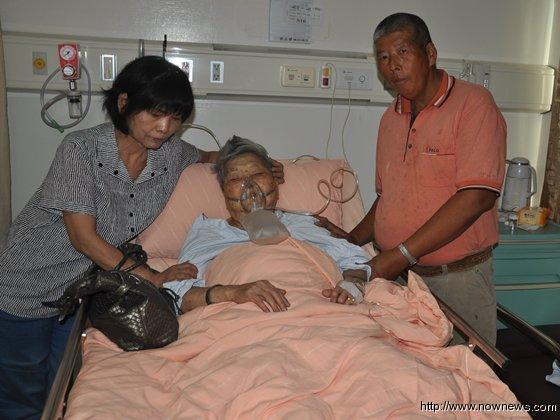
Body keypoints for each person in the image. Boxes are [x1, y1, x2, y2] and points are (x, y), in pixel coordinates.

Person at [0, 56, 284, 419]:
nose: (165, 127)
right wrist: (151, 277)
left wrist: (260, 163)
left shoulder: (170, 154)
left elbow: (209, 156)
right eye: (155, 114)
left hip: (74, 293)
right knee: (21, 397)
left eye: (175, 118)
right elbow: (83, 238)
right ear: (124, 103)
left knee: (60, 391)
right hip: (25, 285)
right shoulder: (80, 149)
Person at [317, 13, 506, 348]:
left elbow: (477, 196)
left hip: (454, 281)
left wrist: (400, 255)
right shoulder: (390, 119)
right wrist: (352, 239)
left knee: (463, 372)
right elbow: (388, 197)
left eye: (402, 52)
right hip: (399, 282)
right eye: (383, 57)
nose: (393, 66)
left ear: (430, 54)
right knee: (406, 371)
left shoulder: (473, 105)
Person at [164, 136, 372, 314]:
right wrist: (233, 292)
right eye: (236, 179)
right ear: (224, 190)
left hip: (320, 311)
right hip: (241, 321)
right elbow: (179, 295)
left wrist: (352, 285)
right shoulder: (209, 234)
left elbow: (355, 263)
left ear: (274, 182)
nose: (249, 187)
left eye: (258, 175)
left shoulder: (304, 223)